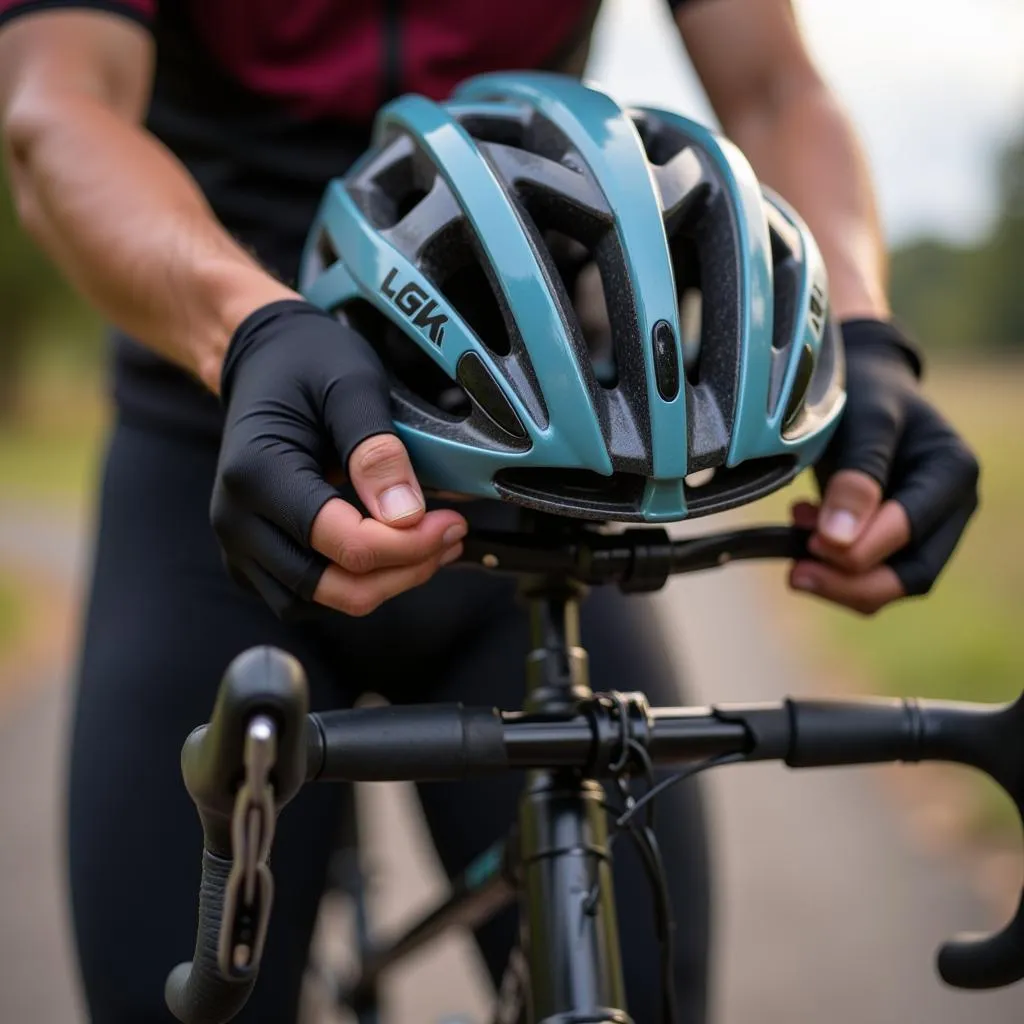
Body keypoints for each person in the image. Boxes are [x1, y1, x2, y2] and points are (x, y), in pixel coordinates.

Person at [0, 2, 978, 1023]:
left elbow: (777, 85)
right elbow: (58, 105)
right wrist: (243, 329)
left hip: (531, 473)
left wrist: (860, 332)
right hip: (224, 433)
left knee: (647, 995)